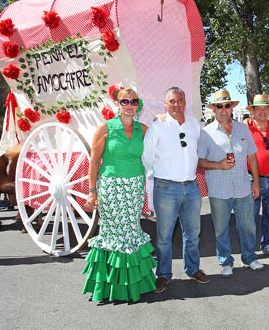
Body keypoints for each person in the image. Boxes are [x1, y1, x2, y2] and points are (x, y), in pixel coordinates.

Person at [82, 88, 157, 302]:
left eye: (134, 101)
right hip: (111, 188)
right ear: (118, 103)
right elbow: (94, 162)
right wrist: (92, 191)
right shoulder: (105, 128)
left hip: (134, 188)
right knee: (114, 233)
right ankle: (111, 286)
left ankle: (135, 283)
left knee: (132, 230)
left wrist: (161, 120)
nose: (129, 104)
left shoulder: (143, 129)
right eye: (125, 101)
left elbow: (158, 145)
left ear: (138, 104)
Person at [142, 87, 210, 293]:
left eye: (180, 100)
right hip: (166, 187)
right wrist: (162, 173)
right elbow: (147, 156)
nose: (176, 104)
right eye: (172, 101)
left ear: (185, 102)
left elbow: (199, 151)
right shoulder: (158, 126)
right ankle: (163, 274)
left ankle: (193, 269)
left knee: (193, 233)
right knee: (164, 235)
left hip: (191, 187)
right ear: (166, 104)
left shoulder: (194, 125)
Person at [198, 90, 264, 277]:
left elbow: (252, 158)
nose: (224, 109)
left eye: (227, 105)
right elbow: (199, 161)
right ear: (214, 109)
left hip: (243, 186)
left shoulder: (243, 129)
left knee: (248, 226)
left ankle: (250, 258)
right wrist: (218, 165)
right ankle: (226, 261)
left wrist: (256, 183)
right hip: (219, 190)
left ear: (232, 108)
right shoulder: (206, 133)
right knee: (221, 229)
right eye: (220, 106)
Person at [246, 94, 269, 257]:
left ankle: (267, 244)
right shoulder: (245, 128)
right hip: (252, 179)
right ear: (253, 111)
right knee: (250, 217)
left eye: (265, 108)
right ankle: (248, 251)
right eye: (258, 108)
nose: (262, 111)